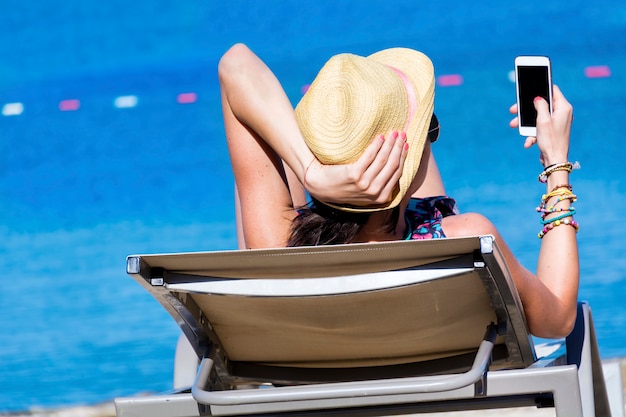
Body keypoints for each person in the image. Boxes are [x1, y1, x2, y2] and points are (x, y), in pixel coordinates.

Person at [217, 43, 578, 339]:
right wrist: (556, 164)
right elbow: (556, 319)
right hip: (443, 385)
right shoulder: (465, 239)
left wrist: (310, 171)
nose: (429, 136)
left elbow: (236, 63)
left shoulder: (279, 249)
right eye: (429, 130)